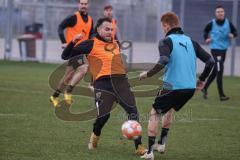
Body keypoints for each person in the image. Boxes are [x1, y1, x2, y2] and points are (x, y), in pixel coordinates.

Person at [61, 18, 146, 156]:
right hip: (103, 84)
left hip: (121, 82)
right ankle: (95, 135)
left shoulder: (116, 44)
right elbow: (65, 56)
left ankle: (139, 146)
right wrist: (73, 41)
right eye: (107, 29)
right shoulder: (90, 44)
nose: (110, 32)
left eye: (112, 29)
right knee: (104, 116)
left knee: (133, 112)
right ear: (98, 29)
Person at [139, 12, 215, 159]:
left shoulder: (165, 41)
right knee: (169, 110)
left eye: (162, 26)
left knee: (154, 113)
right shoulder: (191, 41)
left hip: (172, 87)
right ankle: (162, 143)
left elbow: (164, 60)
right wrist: (202, 79)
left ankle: (149, 152)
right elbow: (211, 62)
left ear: (166, 25)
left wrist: (147, 74)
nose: (162, 29)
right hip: (189, 89)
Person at [50, 0, 94, 107]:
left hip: (83, 50)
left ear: (88, 5)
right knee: (81, 71)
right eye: (82, 3)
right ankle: (67, 91)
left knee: (69, 76)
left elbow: (92, 33)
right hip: (73, 50)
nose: (83, 6)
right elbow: (60, 27)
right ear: (78, 5)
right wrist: (64, 42)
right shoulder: (73, 18)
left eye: (85, 4)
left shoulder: (90, 20)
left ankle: (55, 96)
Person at [202, 5, 237, 101]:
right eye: (218, 12)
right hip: (215, 49)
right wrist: (207, 39)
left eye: (221, 11)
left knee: (215, 71)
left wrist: (232, 35)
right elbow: (205, 31)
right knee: (220, 70)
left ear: (224, 13)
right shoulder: (212, 23)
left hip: (223, 50)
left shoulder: (228, 23)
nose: (220, 13)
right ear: (215, 13)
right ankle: (221, 95)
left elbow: (235, 32)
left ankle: (204, 88)